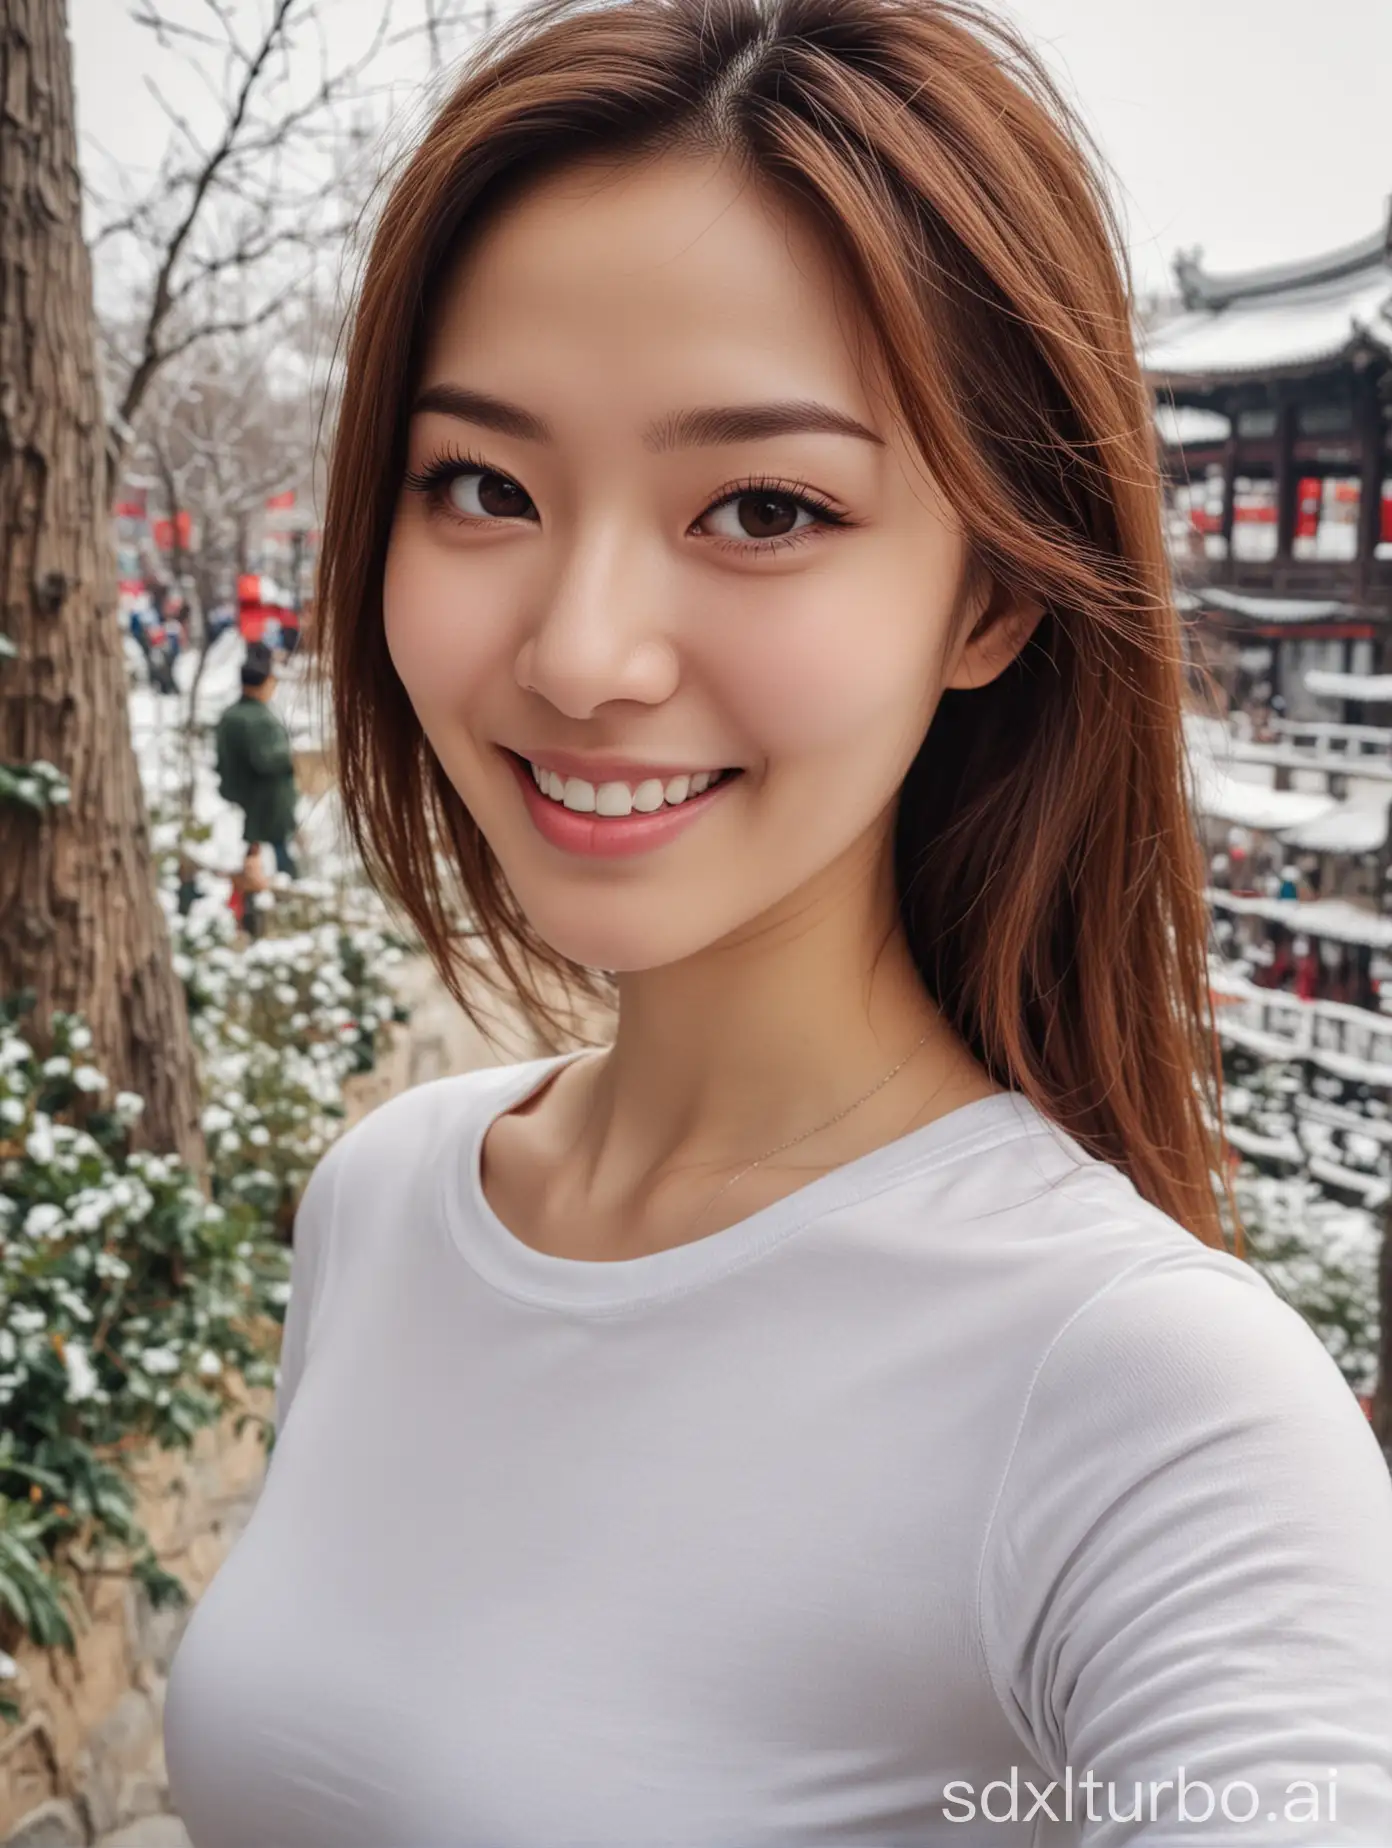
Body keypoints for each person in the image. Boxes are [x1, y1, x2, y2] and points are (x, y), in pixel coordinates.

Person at [164, 2, 1392, 1842]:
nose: (581, 651)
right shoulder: (390, 1197)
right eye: (482, 484)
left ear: (988, 599)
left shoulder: (1144, 1393)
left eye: (761, 505)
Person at [213, 640, 299, 878]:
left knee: (256, 852)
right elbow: (268, 759)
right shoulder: (257, 719)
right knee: (278, 857)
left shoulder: (231, 715)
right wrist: (296, 759)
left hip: (244, 797)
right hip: (268, 801)